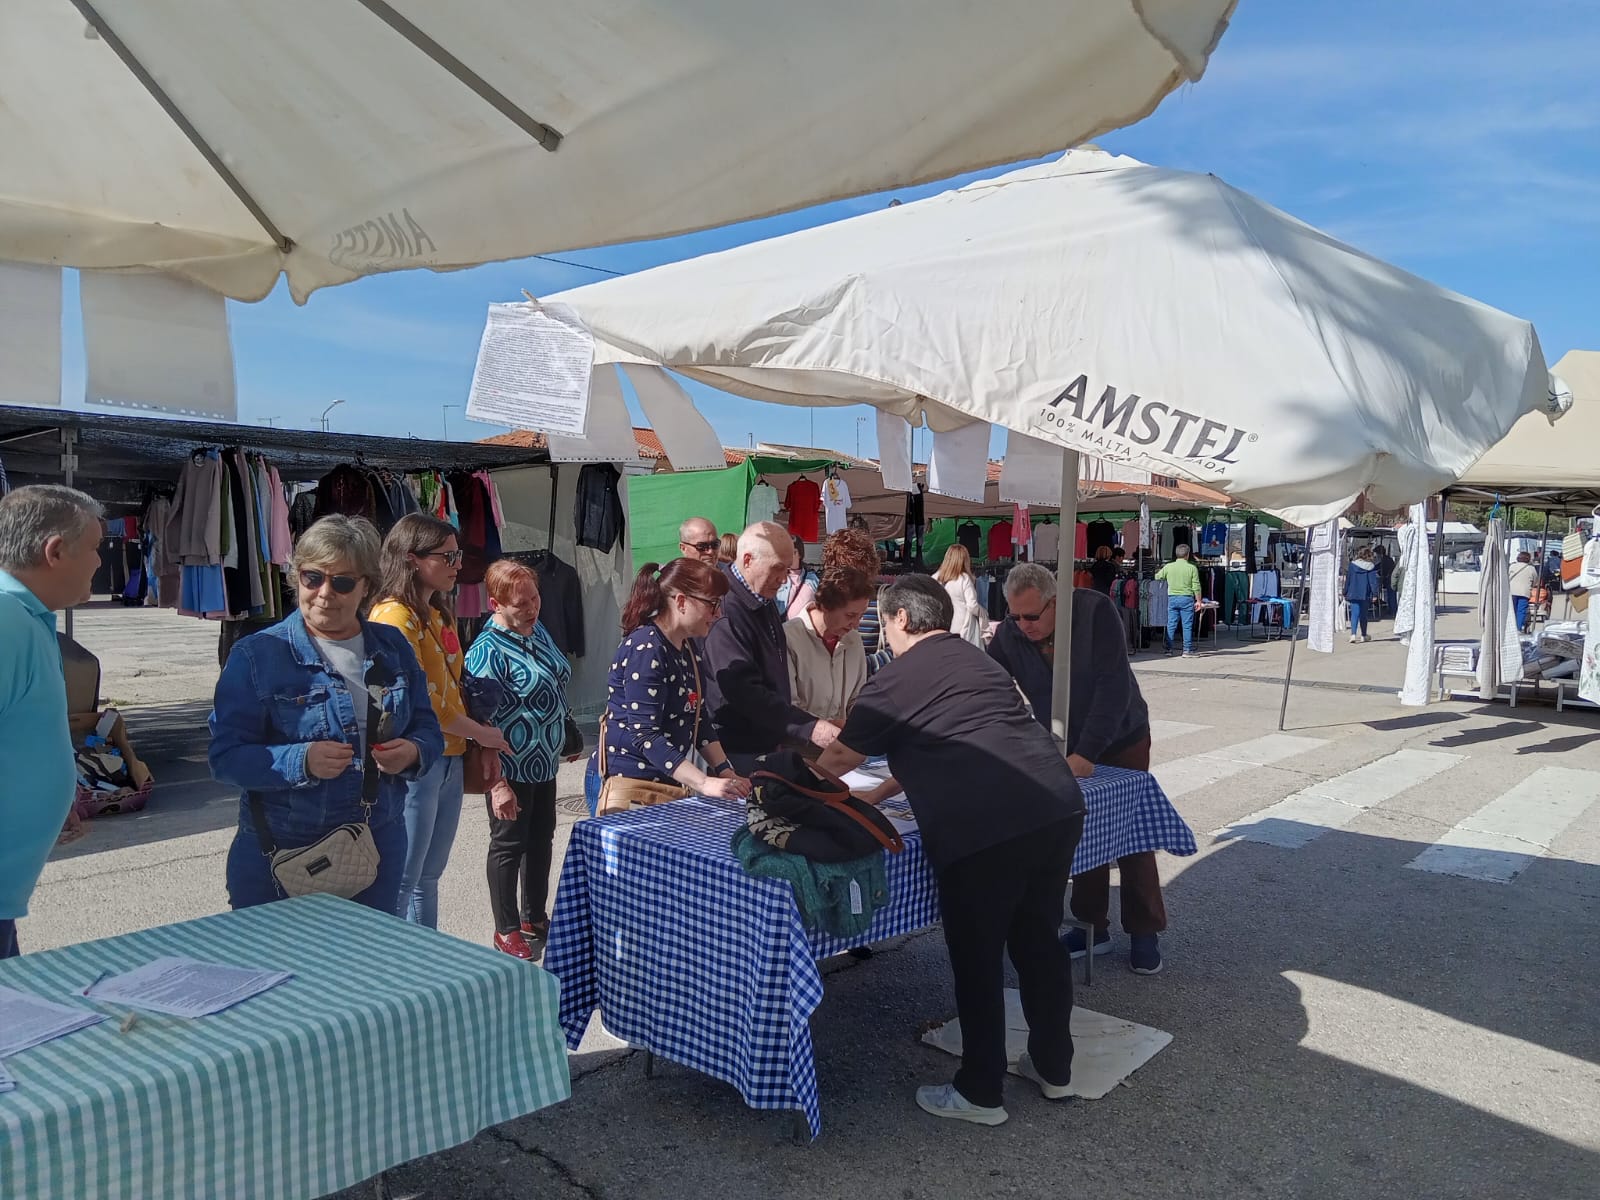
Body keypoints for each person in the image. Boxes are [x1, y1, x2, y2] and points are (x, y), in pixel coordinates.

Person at [818, 576, 1085, 1126]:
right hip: (1054, 806)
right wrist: (889, 788)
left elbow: (839, 757)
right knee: (1038, 941)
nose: (885, 635)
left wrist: (785, 792)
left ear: (901, 622)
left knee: (979, 958)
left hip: (985, 828)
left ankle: (981, 1092)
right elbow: (964, 733)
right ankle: (1055, 1069)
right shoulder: (979, 662)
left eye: (885, 624)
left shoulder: (892, 680)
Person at [211, 516, 444, 913]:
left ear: (366, 586)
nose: (323, 593)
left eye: (342, 582)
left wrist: (413, 751)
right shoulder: (257, 655)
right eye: (312, 577)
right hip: (281, 855)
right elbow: (225, 757)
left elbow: (428, 728)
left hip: (376, 847)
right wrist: (301, 760)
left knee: (365, 972)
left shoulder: (393, 647)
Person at [987, 565, 1165, 974]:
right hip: (1063, 742)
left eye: (1032, 616)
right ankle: (1091, 926)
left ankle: (1144, 929)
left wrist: (1088, 753)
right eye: (1015, 616)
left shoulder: (1095, 611)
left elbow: (1113, 686)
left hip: (1122, 736)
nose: (1023, 625)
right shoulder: (1011, 634)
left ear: (1057, 602)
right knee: (1080, 833)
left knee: (1130, 832)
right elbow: (989, 686)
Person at [369, 513, 508, 928]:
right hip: (417, 761)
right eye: (447, 557)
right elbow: (423, 700)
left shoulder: (437, 612)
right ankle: (400, 971)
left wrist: (480, 742)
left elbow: (455, 686)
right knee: (404, 879)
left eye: (457, 555)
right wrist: (484, 734)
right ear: (412, 559)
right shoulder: (393, 617)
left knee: (426, 878)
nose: (457, 565)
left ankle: (425, 967)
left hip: (447, 756)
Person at [0, 486, 103, 958]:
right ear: (55, 551)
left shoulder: (25, 617)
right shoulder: (6, 621)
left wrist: (48, 799)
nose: (101, 563)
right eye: (95, 549)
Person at [465, 560, 574, 960]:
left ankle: (534, 916)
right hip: (510, 764)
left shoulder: (536, 629)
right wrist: (496, 785)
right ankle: (506, 928)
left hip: (544, 760)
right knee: (509, 844)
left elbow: (555, 677)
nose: (532, 607)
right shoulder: (487, 650)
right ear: (495, 604)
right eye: (520, 603)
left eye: (535, 598)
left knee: (541, 839)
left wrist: (566, 727)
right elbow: (480, 720)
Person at [597, 558, 751, 809]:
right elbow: (645, 734)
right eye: (712, 604)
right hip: (633, 785)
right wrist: (703, 782)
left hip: (665, 782)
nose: (718, 614)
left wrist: (725, 771)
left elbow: (698, 719)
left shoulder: (687, 648)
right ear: (681, 601)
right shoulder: (646, 649)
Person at [704, 522, 839, 772]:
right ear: (747, 560)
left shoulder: (762, 600)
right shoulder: (727, 609)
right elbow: (742, 690)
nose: (783, 579)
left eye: (788, 569)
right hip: (737, 748)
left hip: (765, 741)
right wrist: (807, 727)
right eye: (778, 568)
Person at [784, 566, 874, 736]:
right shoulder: (788, 638)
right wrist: (826, 727)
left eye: (861, 616)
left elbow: (858, 698)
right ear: (825, 606)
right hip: (798, 747)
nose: (856, 624)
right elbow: (787, 708)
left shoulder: (854, 639)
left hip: (842, 745)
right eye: (850, 616)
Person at [935, 544, 988, 646]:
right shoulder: (964, 579)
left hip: (943, 625)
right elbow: (972, 606)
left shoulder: (937, 578)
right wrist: (983, 612)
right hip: (963, 627)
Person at [1156, 544, 1202, 656]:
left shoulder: (1168, 566)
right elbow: (1196, 586)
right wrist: (1199, 601)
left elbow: (1157, 576)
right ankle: (1187, 650)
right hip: (1186, 598)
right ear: (1187, 555)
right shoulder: (1192, 568)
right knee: (1186, 625)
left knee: (1171, 624)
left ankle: (1169, 649)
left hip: (1172, 597)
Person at [775, 533, 820, 621]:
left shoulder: (812, 579)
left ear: (799, 554)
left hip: (802, 630)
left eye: (793, 552)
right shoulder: (776, 578)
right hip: (780, 627)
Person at [1344, 546, 1380, 644]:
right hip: (1365, 593)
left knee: (1354, 614)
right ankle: (1364, 635)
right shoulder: (1371, 566)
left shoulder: (1352, 565)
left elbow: (1348, 579)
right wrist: (1375, 594)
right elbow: (1373, 582)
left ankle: (1353, 635)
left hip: (1353, 592)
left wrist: (1345, 591)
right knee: (1363, 615)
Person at [1508, 550, 1536, 632]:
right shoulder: (1531, 568)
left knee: (1512, 610)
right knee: (1521, 610)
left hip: (1512, 591)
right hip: (1524, 591)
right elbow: (1535, 580)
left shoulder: (1512, 566)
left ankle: (1510, 627)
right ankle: (1518, 628)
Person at [1376, 544, 1397, 615]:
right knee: (1390, 596)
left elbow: (1382, 569)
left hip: (1390, 580)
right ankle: (1391, 610)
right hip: (1391, 580)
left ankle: (1393, 611)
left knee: (1391, 596)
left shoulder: (1385, 560)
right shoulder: (1387, 559)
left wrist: (1379, 572)